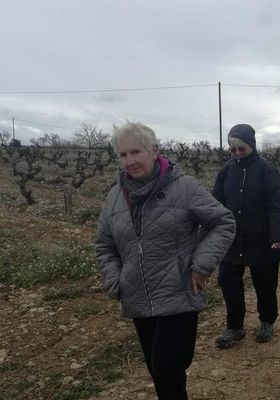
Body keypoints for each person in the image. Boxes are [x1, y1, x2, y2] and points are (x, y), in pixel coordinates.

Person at [95, 122, 235, 400]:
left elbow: (223, 222)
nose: (130, 161)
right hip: (137, 295)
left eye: (136, 152)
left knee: (166, 366)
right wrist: (115, 280)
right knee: (158, 371)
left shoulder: (183, 187)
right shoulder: (114, 197)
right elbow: (104, 244)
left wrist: (202, 265)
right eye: (123, 155)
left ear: (154, 150)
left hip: (178, 292)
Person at [212, 123, 280, 349]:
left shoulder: (267, 170)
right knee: (228, 282)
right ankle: (235, 328)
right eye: (232, 149)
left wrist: (277, 235)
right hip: (232, 239)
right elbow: (216, 203)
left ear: (251, 145)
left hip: (262, 238)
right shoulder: (226, 171)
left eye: (241, 148)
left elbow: (276, 205)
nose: (236, 153)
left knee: (265, 284)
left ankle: (266, 322)